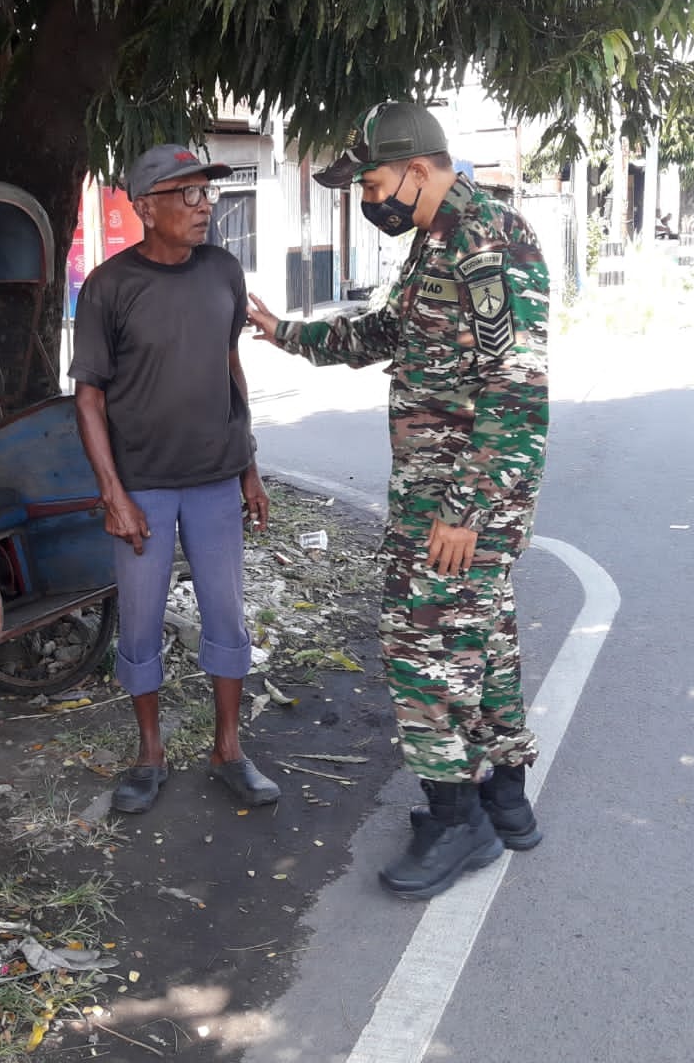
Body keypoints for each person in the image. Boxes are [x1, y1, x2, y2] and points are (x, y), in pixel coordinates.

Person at [245, 102, 549, 899]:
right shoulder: (439, 240)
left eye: (373, 182)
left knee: (423, 651)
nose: (366, 198)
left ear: (419, 168)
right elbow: (389, 334)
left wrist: (464, 509)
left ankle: (457, 821)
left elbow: (516, 392)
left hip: (459, 499)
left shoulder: (484, 243)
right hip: (446, 493)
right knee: (482, 641)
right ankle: (506, 799)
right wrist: (285, 333)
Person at [70, 144, 279, 815]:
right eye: (185, 195)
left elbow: (230, 369)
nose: (203, 206)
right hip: (145, 489)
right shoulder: (109, 287)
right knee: (139, 624)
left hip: (217, 479)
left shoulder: (223, 271)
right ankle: (150, 753)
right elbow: (89, 398)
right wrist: (113, 494)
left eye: (206, 194)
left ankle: (228, 748)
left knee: (226, 616)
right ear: (145, 208)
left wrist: (249, 466)